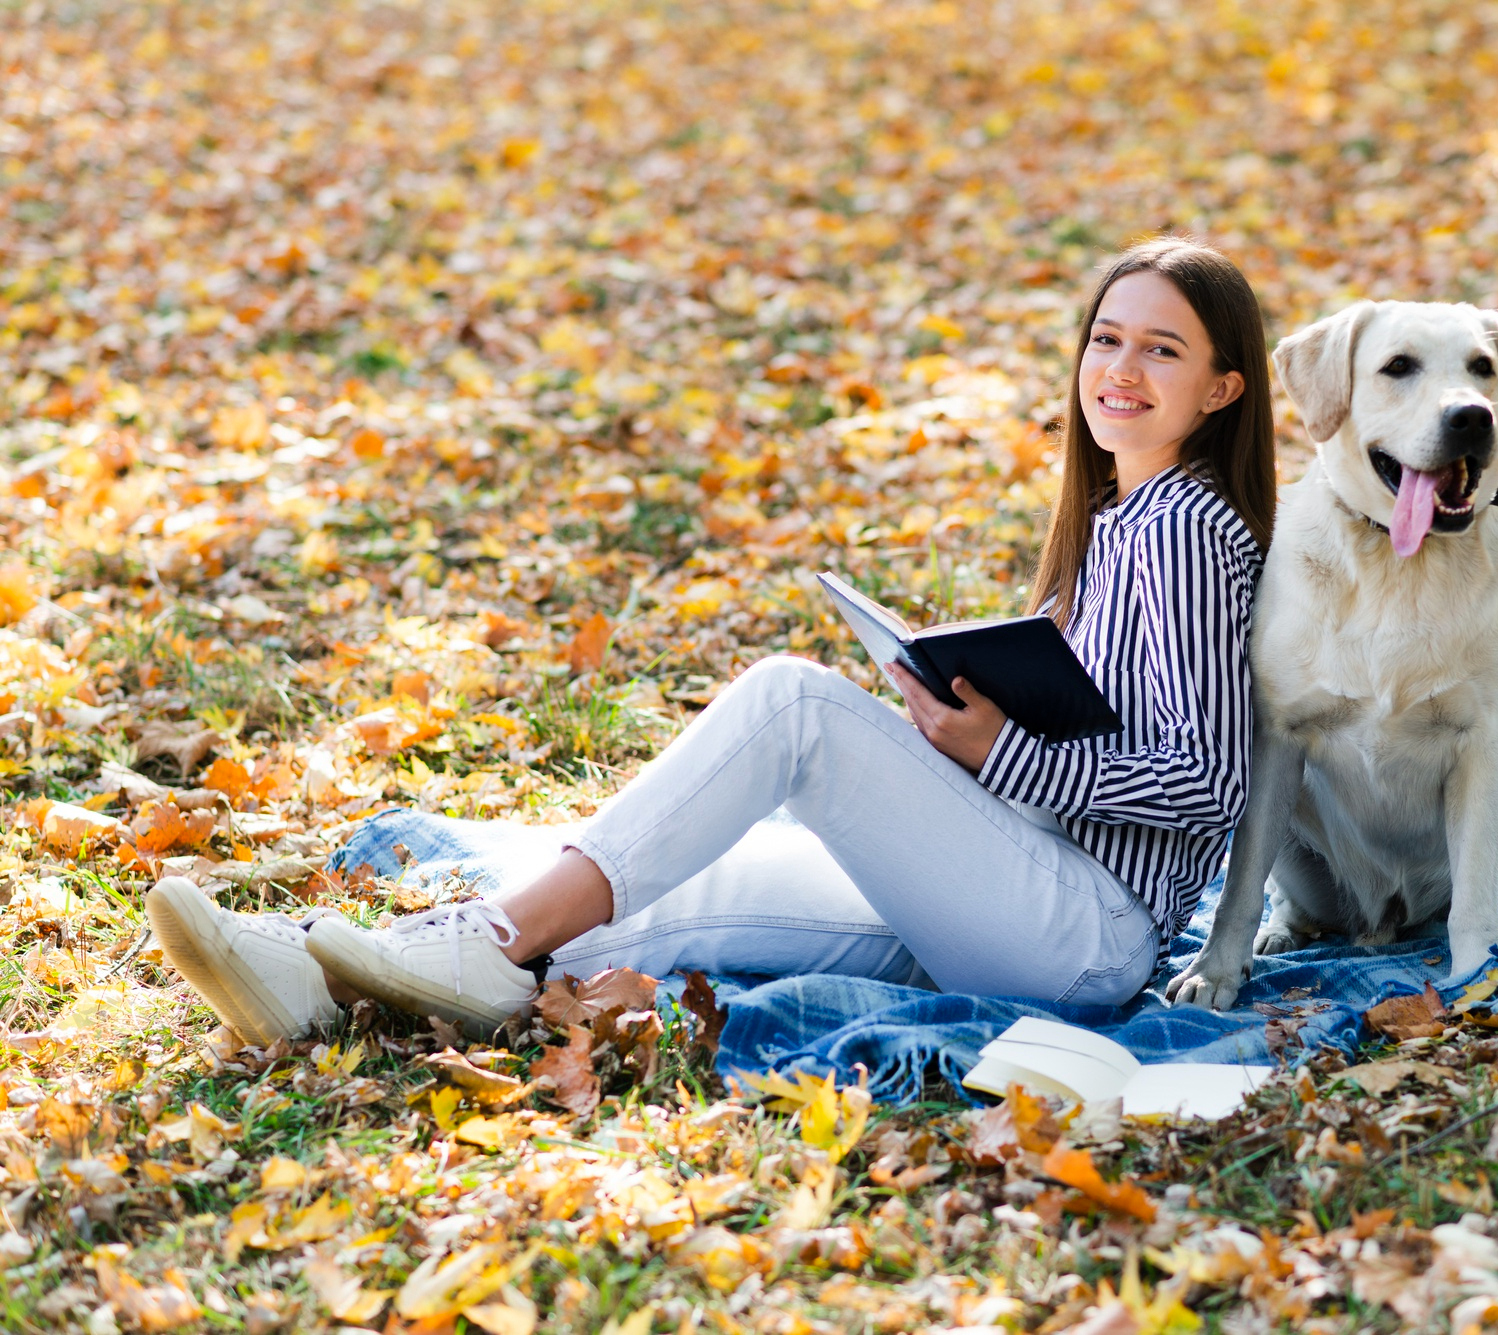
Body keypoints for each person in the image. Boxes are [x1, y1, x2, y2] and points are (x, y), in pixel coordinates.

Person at [146, 237, 1277, 1044]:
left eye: (1161, 353)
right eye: (1105, 339)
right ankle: (317, 972)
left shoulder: (1183, 528)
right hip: (1007, 887)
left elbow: (1209, 781)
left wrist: (997, 751)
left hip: (1084, 930)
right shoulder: (1119, 523)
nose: (1119, 371)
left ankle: (473, 941)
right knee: (678, 887)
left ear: (1222, 389)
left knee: (791, 704)